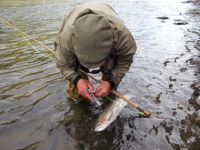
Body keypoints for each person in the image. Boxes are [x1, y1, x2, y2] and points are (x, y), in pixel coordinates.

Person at [55, 3, 137, 101]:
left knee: (110, 82)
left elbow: (124, 61)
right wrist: (77, 80)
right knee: (76, 88)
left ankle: (108, 95)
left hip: (108, 19)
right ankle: (79, 101)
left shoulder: (123, 37)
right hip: (74, 22)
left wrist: (111, 82)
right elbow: (64, 65)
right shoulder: (66, 39)